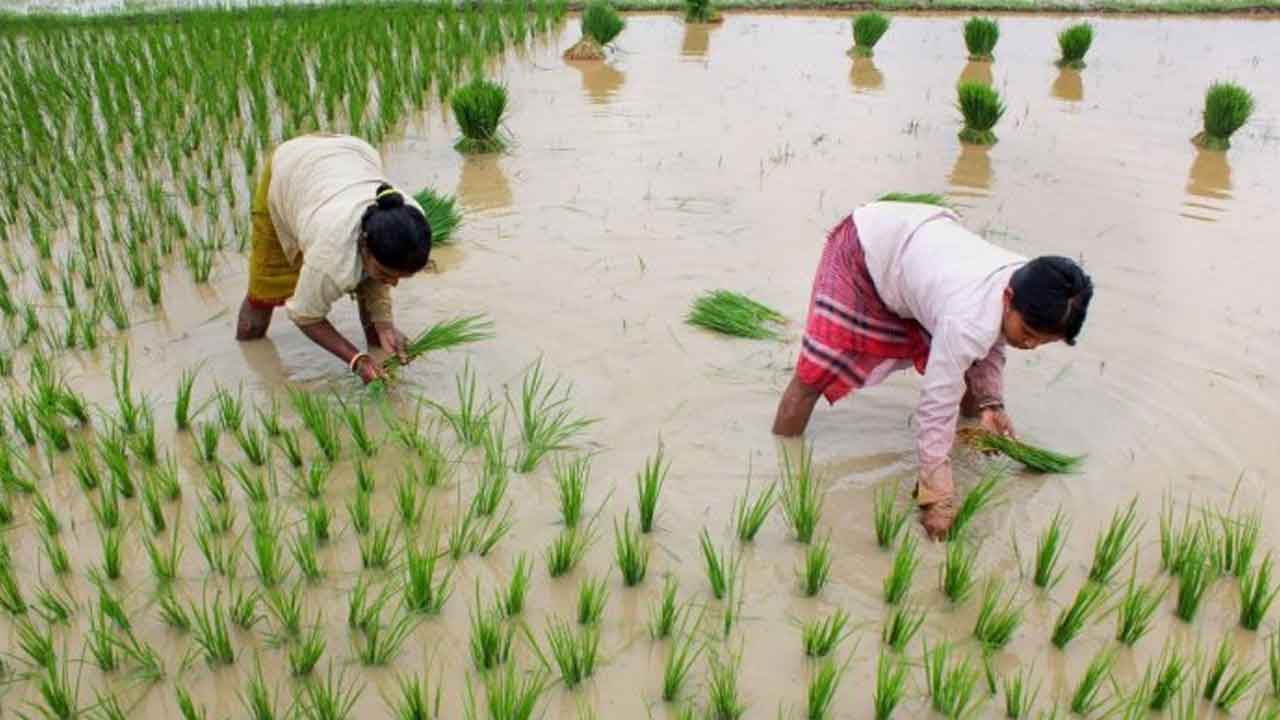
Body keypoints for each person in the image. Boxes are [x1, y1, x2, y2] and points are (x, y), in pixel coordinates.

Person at [772, 200, 1093, 540]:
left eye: (1043, 342)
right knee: (815, 371)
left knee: (972, 365)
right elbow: (937, 404)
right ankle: (781, 457)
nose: (1030, 346)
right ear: (1008, 297)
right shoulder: (967, 318)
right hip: (866, 250)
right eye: (1028, 334)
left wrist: (991, 404)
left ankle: (969, 433)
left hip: (922, 254)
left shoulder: (1033, 284)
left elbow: (992, 344)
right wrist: (936, 492)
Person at [235, 133, 432, 384]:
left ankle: (382, 360)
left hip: (352, 154)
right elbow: (305, 315)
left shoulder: (410, 220)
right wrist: (356, 359)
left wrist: (384, 325)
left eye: (400, 277)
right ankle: (250, 362)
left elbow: (377, 277)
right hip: (291, 169)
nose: (393, 284)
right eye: (387, 275)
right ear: (363, 247)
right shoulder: (330, 257)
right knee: (265, 290)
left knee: (373, 291)